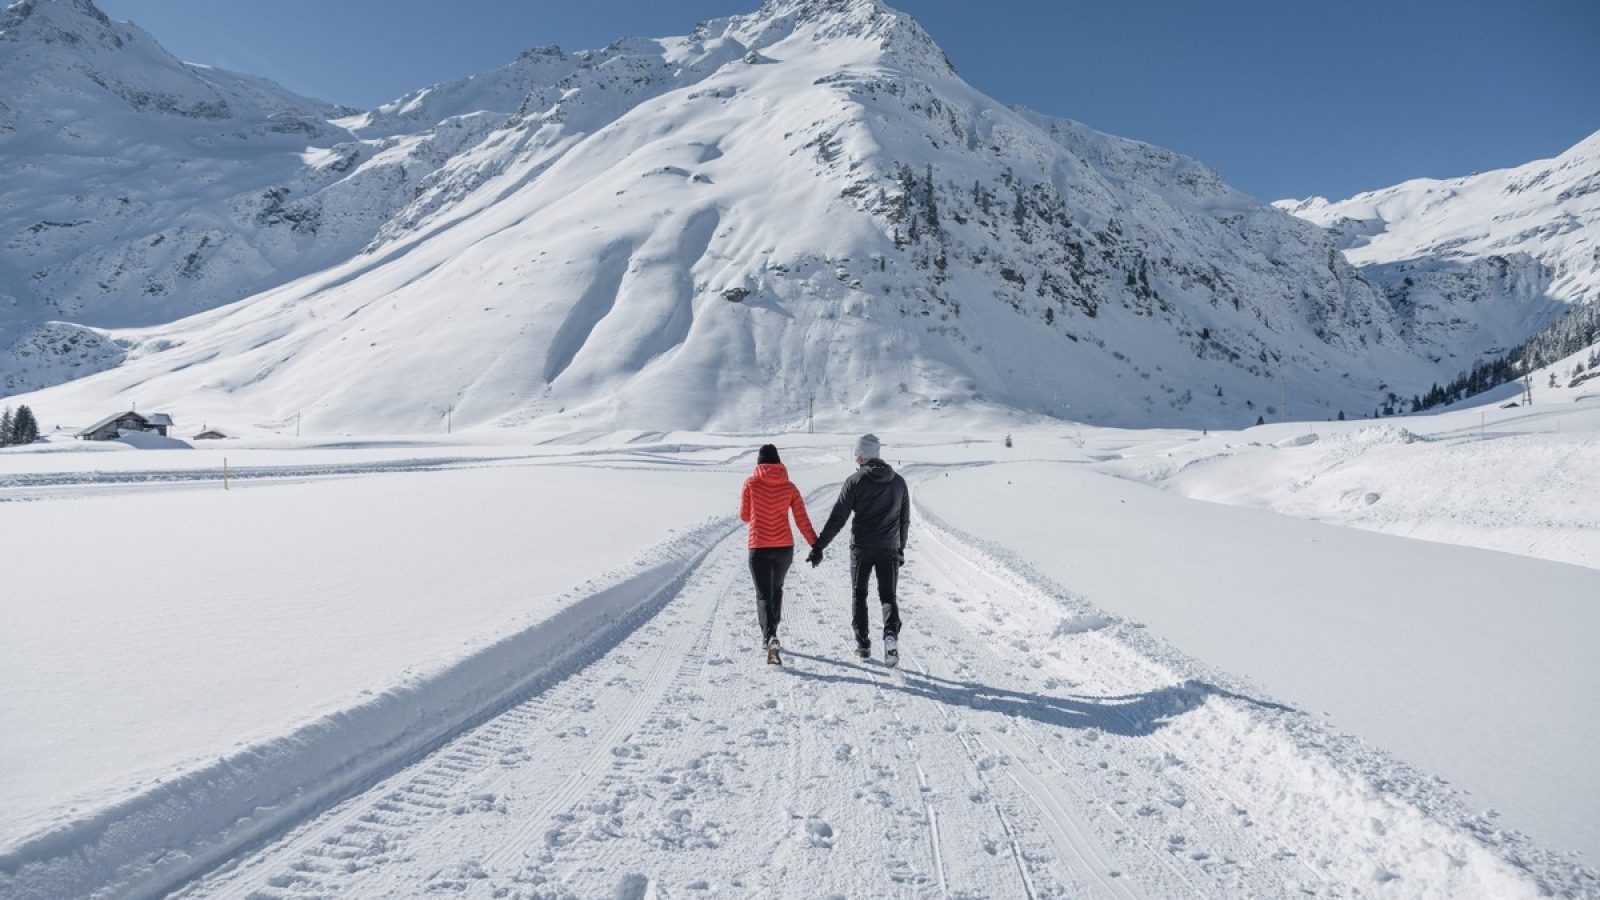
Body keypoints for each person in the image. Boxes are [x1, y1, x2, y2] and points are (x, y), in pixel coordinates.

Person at [806, 434, 910, 666]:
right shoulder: (899, 482)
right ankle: (891, 635)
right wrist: (900, 547)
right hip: (889, 548)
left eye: (856, 453)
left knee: (859, 595)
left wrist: (819, 546)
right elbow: (904, 520)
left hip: (862, 548)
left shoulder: (854, 481)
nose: (855, 457)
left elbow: (837, 518)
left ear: (862, 455)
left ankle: (863, 646)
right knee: (888, 596)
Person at [740, 444, 817, 665]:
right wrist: (815, 544)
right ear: (778, 462)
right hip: (784, 548)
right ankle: (773, 631)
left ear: (759, 463)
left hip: (759, 547)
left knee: (763, 594)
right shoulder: (789, 487)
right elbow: (802, 519)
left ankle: (769, 636)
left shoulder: (751, 483)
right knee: (777, 589)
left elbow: (745, 516)